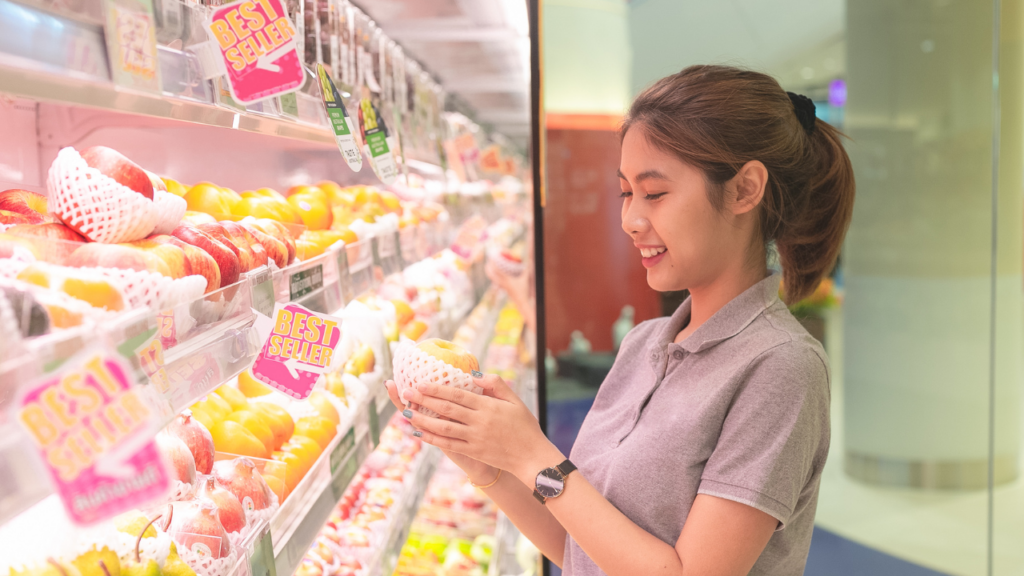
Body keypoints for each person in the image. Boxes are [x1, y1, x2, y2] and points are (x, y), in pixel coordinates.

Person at [386, 65, 855, 576]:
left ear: (745, 190)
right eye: (626, 192)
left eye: (654, 193)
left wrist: (532, 455)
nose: (631, 220)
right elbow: (577, 547)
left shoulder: (781, 368)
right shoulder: (644, 343)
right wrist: (484, 460)